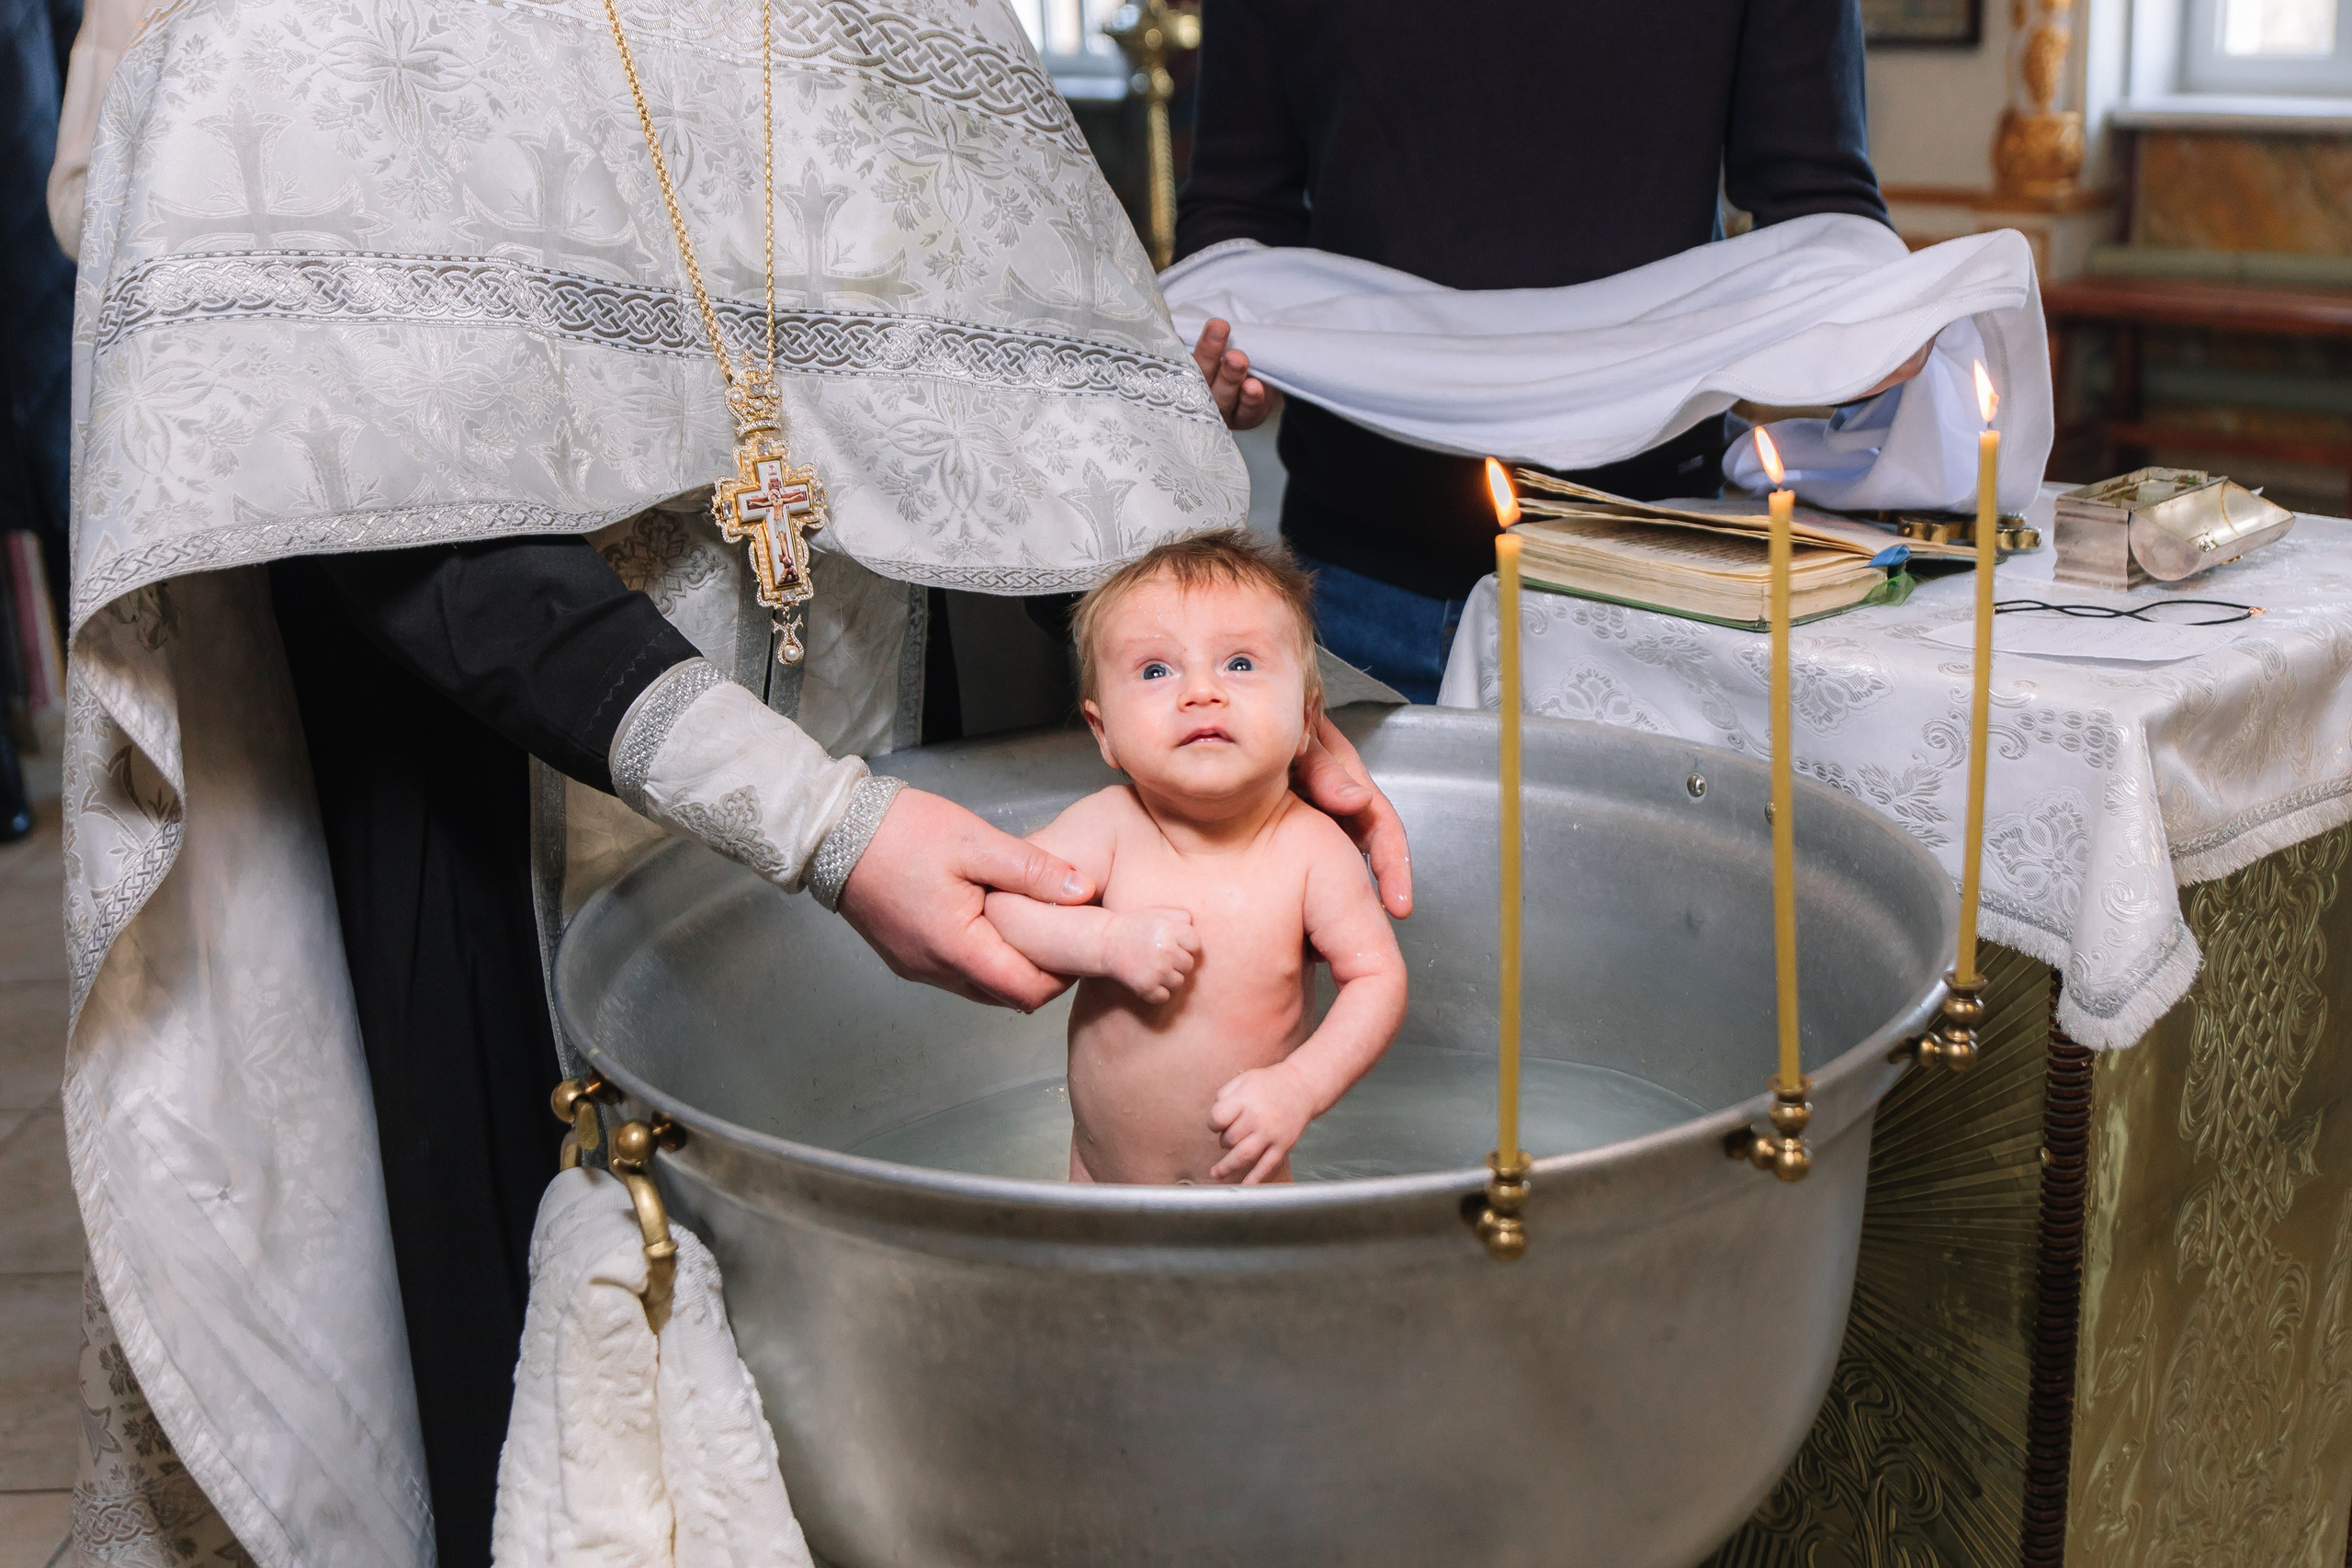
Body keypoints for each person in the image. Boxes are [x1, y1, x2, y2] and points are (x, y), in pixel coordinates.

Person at [59, 2, 1413, 1563]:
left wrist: (1201, 645)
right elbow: (366, 474)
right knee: (530, 1397)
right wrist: (818, 823)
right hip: (476, 804)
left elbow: (1018, 395)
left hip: (893, 735)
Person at [1172, 0, 1916, 702]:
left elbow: (1819, 196)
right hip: (1358, 565)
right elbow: (1238, 205)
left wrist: (1878, 322)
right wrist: (1219, 347)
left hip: (1651, 564)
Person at [986, 531, 1408, 1185]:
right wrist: (1104, 942)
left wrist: (1298, 1087)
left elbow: (1378, 980)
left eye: (1239, 663)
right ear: (1105, 732)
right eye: (1156, 670)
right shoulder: (1110, 825)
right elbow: (1003, 900)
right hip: (1100, 1190)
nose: (1201, 691)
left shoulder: (1311, 850)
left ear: (1306, 718)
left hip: (1246, 1191)